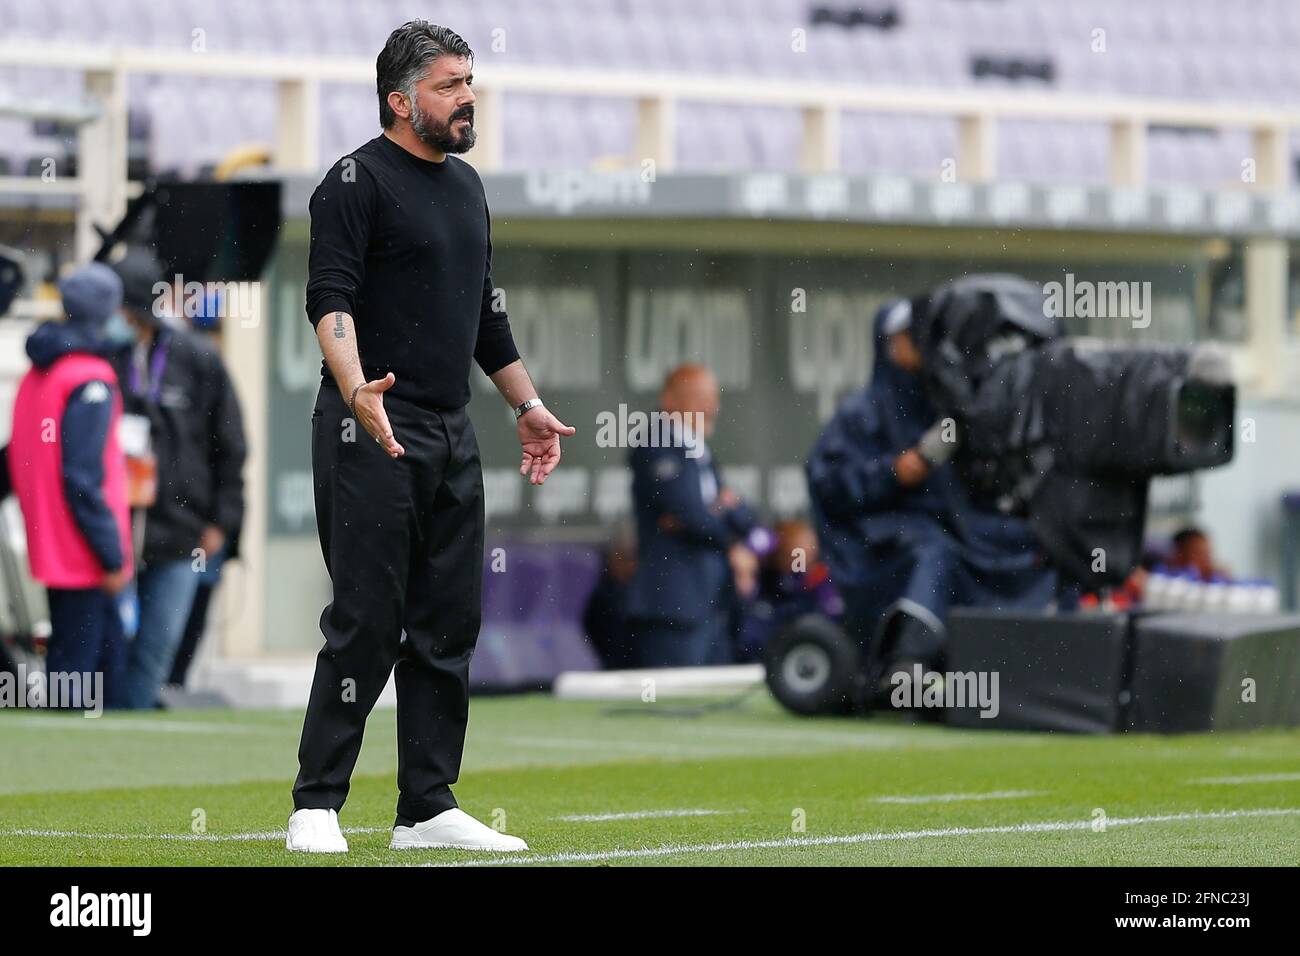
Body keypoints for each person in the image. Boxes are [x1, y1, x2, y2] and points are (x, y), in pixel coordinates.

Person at [289, 21, 574, 854]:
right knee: (367, 619)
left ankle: (426, 806)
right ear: (400, 99)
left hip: (451, 430)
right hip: (368, 424)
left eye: (469, 82)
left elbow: (484, 310)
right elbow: (328, 299)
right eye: (449, 84)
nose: (466, 97)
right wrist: (355, 392)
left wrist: (525, 404)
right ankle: (316, 802)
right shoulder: (353, 181)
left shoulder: (466, 186)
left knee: (449, 623)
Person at [807, 300, 1056, 683]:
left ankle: (1024, 660)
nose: (925, 343)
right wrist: (892, 473)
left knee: (1034, 540)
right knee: (932, 551)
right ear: (891, 344)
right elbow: (829, 485)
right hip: (879, 539)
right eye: (913, 336)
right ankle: (909, 663)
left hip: (957, 525)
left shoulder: (950, 403)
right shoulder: (861, 413)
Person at [106, 248, 246, 710]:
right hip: (112, 534)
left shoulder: (197, 359)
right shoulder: (102, 358)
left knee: (156, 650)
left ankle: (135, 740)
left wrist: (221, 525)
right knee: (109, 651)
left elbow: (231, 448)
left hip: (183, 532)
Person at [5, 263, 133, 710]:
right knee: (84, 677)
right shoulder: (89, 378)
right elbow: (82, 477)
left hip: (50, 540)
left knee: (80, 663)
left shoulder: (36, 375)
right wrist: (111, 553)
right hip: (83, 550)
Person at [625, 364, 762, 668]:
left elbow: (744, 515)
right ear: (669, 401)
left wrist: (719, 510)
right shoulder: (656, 443)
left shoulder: (699, 450)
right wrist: (729, 540)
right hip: (674, 604)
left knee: (714, 701)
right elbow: (688, 513)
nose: (711, 407)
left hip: (714, 602)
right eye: (699, 398)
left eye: (712, 398)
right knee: (674, 703)